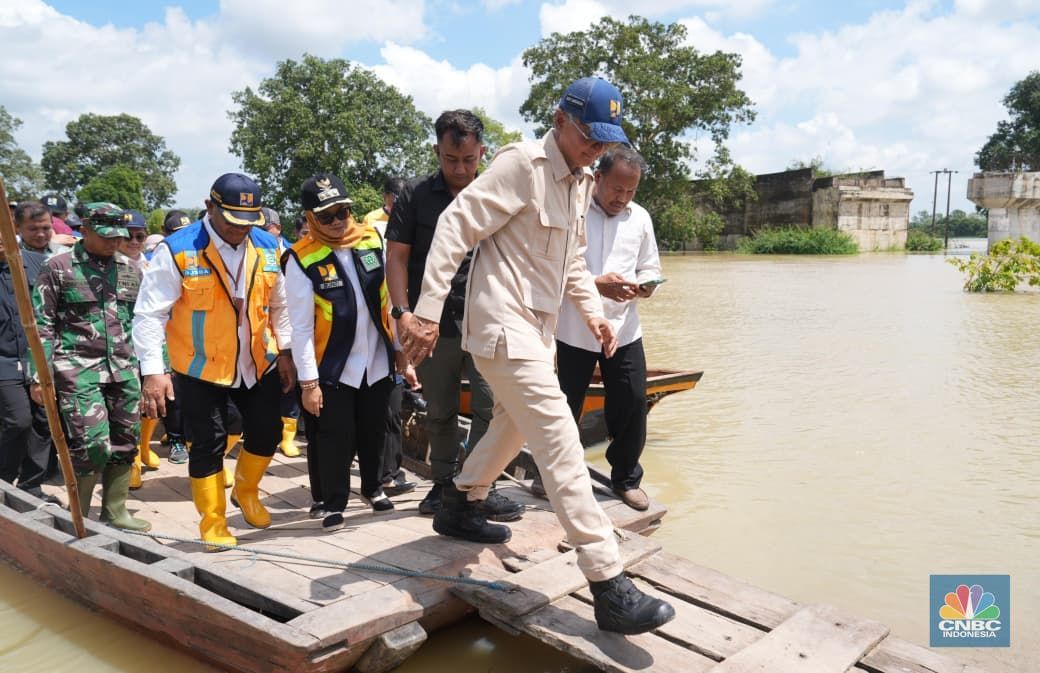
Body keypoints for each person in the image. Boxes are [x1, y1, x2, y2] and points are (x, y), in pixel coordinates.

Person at [400, 76, 674, 635]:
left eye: (604, 140)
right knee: (561, 440)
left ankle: (460, 503)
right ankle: (607, 582)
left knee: (511, 425)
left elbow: (571, 260)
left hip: (537, 329)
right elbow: (456, 224)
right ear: (559, 122)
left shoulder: (579, 181)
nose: (596, 149)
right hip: (501, 323)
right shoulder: (521, 164)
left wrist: (593, 311)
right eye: (587, 138)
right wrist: (427, 311)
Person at [133, 173, 294, 549]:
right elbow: (149, 315)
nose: (241, 231)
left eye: (248, 222)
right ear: (210, 208)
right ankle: (214, 521)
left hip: (257, 362)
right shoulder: (179, 250)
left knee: (268, 431)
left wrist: (285, 351)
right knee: (208, 443)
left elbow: (280, 305)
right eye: (232, 221)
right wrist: (154, 372)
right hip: (199, 365)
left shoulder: (268, 245)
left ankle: (246, 491)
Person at [386, 110, 522, 521]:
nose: (460, 169)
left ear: (482, 151)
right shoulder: (414, 195)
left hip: (488, 316)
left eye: (468, 160)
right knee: (440, 409)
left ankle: (480, 485)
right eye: (450, 160)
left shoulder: (497, 192)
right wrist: (402, 313)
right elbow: (397, 257)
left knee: (492, 407)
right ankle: (444, 486)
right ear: (437, 151)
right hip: (433, 324)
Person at [284, 174, 415, 530]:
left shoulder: (372, 240)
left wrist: (402, 352)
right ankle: (332, 501)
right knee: (334, 436)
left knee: (375, 428)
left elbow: (392, 302)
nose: (338, 221)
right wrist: (309, 383)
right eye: (327, 216)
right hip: (333, 363)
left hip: (376, 356)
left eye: (343, 211)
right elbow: (300, 327)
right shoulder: (300, 258)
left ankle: (373, 488)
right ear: (311, 218)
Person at [29, 205, 150, 530]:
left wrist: (156, 370)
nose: (114, 243)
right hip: (76, 370)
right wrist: (39, 376)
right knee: (91, 444)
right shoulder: (58, 268)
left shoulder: (130, 269)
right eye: (106, 236)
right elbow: (41, 325)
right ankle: (79, 513)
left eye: (119, 237)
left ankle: (115, 511)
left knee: (126, 440)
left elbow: (144, 321)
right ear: (85, 229)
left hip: (124, 369)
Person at [555, 147, 661, 511]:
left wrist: (646, 285)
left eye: (631, 191)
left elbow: (650, 266)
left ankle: (626, 479)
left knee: (632, 402)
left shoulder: (641, 218)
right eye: (617, 188)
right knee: (563, 404)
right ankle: (550, 475)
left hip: (624, 326)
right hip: (574, 327)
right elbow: (555, 266)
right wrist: (597, 285)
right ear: (597, 178)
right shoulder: (573, 209)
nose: (623, 198)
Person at [0, 232, 56, 504]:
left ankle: (32, 485)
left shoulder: (38, 264)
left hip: (37, 359)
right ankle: (3, 480)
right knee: (18, 421)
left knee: (43, 422)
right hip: (4, 362)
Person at [262, 206, 301, 458]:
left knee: (290, 386)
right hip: (259, 336)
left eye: (269, 231)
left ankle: (289, 436)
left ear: (278, 229)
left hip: (289, 328)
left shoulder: (290, 255)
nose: (264, 236)